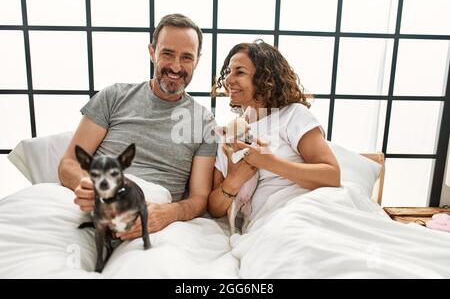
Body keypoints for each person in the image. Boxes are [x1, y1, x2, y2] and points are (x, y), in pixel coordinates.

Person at [58, 13, 217, 240]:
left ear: (197, 61)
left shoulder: (204, 122)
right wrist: (90, 187)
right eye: (168, 54)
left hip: (151, 216)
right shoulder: (114, 96)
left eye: (187, 58)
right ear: (152, 52)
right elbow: (69, 163)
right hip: (91, 205)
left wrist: (167, 214)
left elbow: (199, 198)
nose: (176, 66)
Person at [208, 40, 340, 221]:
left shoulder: (293, 114)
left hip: (304, 210)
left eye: (240, 72)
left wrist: (268, 162)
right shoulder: (230, 135)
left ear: (264, 78)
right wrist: (233, 180)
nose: (229, 80)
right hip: (267, 223)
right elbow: (214, 209)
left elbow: (332, 176)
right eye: (229, 72)